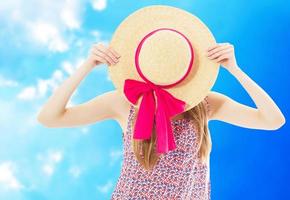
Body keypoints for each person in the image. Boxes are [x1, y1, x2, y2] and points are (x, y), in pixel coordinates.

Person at [37, 42, 285, 199]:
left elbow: (273, 120)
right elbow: (50, 117)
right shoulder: (125, 102)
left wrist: (235, 70)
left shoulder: (204, 104)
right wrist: (87, 65)